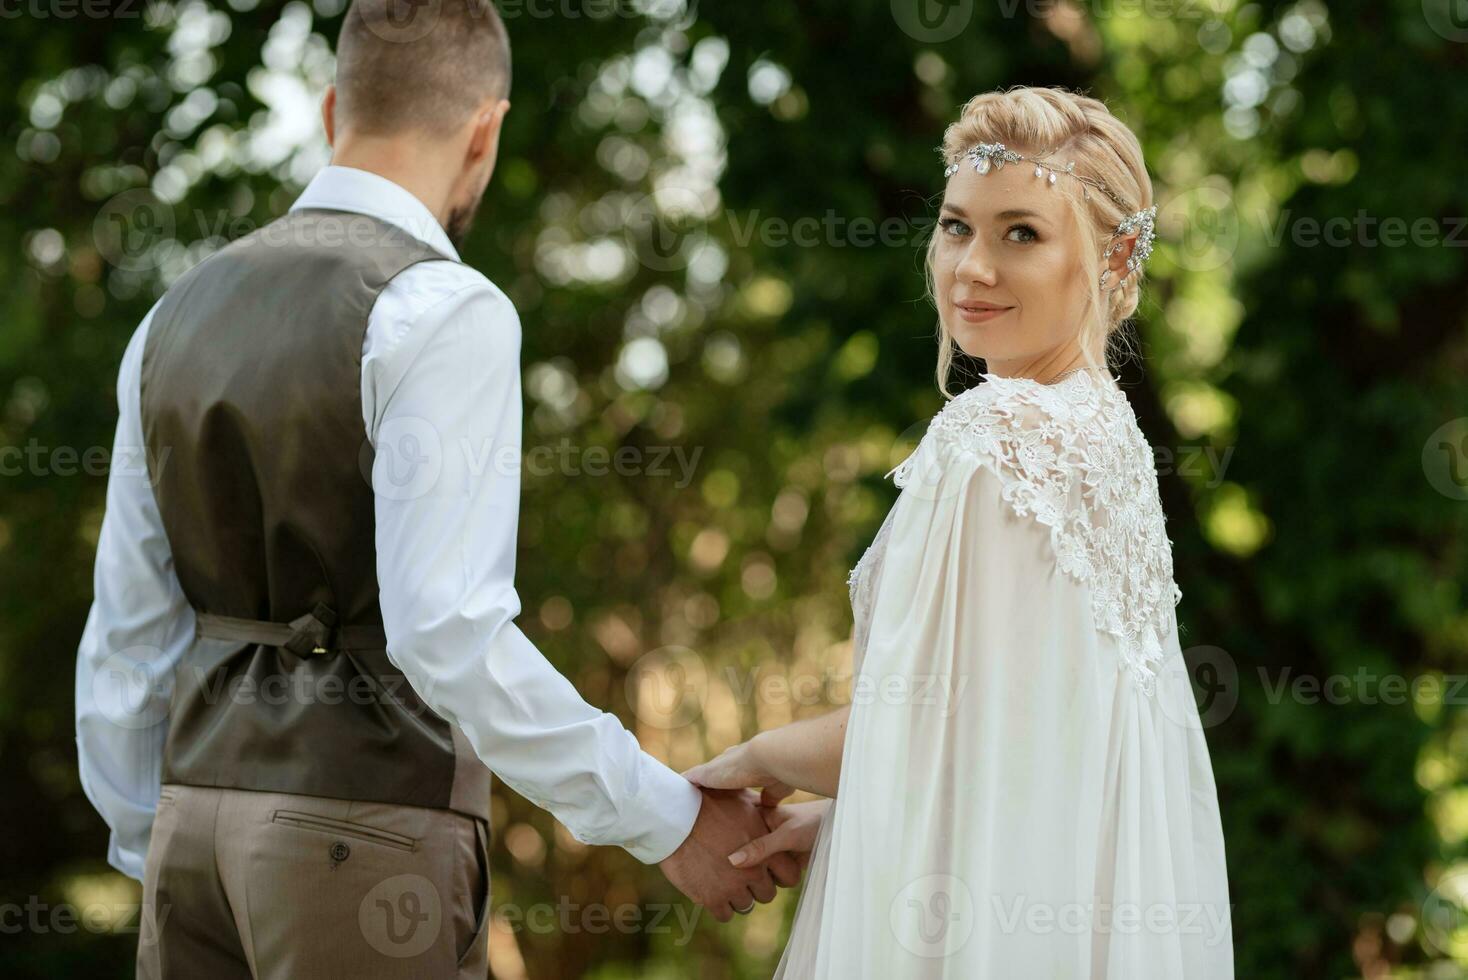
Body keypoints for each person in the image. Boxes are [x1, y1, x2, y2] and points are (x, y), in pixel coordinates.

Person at [73, 2, 796, 976]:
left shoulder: (172, 315)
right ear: (485, 129)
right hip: (362, 833)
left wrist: (150, 830)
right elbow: (445, 629)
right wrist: (663, 814)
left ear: (332, 109)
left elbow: (125, 626)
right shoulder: (442, 307)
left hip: (191, 828)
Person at [683, 86, 1235, 977]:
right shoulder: (1112, 438)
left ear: (1115, 255)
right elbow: (1038, 740)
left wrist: (751, 757)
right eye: (955, 226)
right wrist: (848, 818)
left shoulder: (997, 434)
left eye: (1021, 232)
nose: (971, 267)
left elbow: (909, 718)